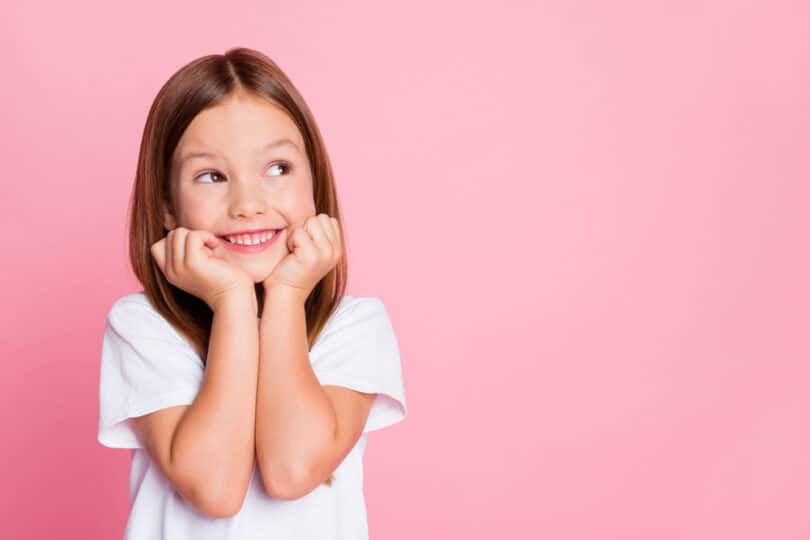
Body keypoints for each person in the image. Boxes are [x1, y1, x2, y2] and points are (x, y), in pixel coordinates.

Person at [96, 47, 407, 540]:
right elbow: (214, 489)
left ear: (314, 184)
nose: (248, 205)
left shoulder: (354, 326)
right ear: (168, 210)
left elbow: (291, 471)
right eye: (211, 177)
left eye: (277, 168)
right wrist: (233, 303)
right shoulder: (144, 325)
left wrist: (284, 293)